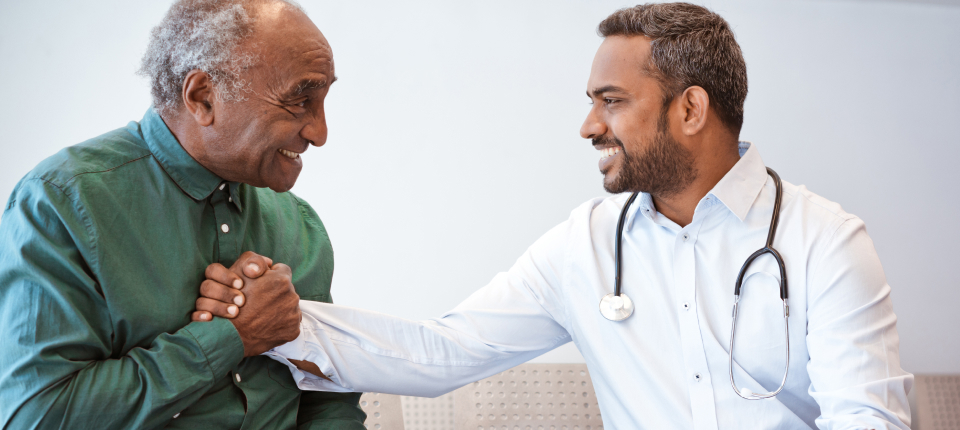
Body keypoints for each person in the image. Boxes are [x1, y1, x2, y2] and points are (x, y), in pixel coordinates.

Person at [194, 3, 913, 429]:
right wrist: (278, 322)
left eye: (612, 100)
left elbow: (868, 421)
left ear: (690, 109)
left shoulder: (825, 243)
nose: (587, 126)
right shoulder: (588, 247)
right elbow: (443, 351)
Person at [0, 0, 366, 428]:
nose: (320, 133)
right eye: (300, 100)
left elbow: (328, 402)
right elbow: (37, 416)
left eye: (323, 100)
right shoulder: (61, 203)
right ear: (202, 97)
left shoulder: (300, 227)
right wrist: (231, 337)